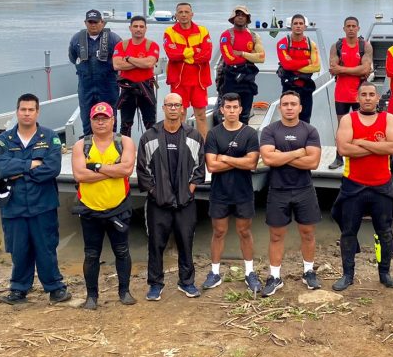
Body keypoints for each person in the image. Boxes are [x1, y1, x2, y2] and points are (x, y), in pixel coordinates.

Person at [0, 93, 70, 305]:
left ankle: (55, 288)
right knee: (19, 250)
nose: (27, 113)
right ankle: (18, 290)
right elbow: (3, 168)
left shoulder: (50, 137)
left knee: (46, 248)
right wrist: (32, 165)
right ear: (17, 111)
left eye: (31, 110)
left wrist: (21, 170)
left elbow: (52, 168)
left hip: (42, 204)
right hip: (13, 206)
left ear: (37, 112)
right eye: (23, 109)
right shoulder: (4, 140)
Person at [332, 82, 393, 291]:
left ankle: (385, 273)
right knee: (348, 232)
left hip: (381, 185)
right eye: (364, 95)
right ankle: (347, 274)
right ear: (357, 98)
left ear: (378, 98)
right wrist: (378, 148)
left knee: (385, 232)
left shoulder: (388, 118)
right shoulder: (348, 119)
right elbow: (343, 149)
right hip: (354, 185)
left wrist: (361, 142)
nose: (368, 98)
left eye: (372, 94)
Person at [136, 92, 206, 301]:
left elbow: (199, 170)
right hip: (159, 202)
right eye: (169, 105)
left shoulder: (193, 136)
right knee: (156, 244)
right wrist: (156, 194)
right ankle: (155, 284)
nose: (173, 108)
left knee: (186, 242)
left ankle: (187, 282)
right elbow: (143, 170)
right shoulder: (150, 136)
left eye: (177, 105)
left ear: (183, 109)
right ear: (164, 108)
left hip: (186, 202)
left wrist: (189, 191)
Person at [70, 102, 137, 310]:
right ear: (90, 121)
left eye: (105, 118)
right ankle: (92, 296)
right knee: (91, 254)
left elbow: (126, 170)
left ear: (112, 120)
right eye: (96, 118)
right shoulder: (81, 145)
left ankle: (124, 291)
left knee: (122, 251)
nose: (101, 122)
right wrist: (111, 170)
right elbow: (80, 175)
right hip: (90, 209)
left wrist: (96, 167)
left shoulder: (125, 142)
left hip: (118, 208)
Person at [259, 90, 323, 295]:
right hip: (278, 189)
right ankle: (275, 276)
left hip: (304, 189)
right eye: (285, 104)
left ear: (300, 107)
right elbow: (268, 159)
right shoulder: (270, 130)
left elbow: (313, 162)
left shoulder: (310, 130)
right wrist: (298, 152)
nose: (288, 107)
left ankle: (308, 272)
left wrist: (282, 155)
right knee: (276, 235)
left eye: (293, 104)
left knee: (308, 233)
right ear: (280, 108)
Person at [201, 93, 263, 294]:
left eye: (235, 107)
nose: (231, 111)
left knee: (244, 231)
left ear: (241, 109)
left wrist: (225, 158)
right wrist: (239, 161)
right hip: (220, 192)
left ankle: (249, 272)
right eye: (228, 107)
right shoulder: (214, 134)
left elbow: (252, 163)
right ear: (221, 110)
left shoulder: (250, 134)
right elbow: (211, 166)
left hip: (243, 191)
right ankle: (215, 272)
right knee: (218, 231)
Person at [327, 16, 373, 170]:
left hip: (359, 94)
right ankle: (339, 157)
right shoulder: (337, 46)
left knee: (361, 125)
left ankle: (361, 155)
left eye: (354, 26)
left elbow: (365, 69)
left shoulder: (365, 46)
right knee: (342, 127)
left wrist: (343, 69)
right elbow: (333, 69)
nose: (351, 28)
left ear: (358, 28)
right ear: (344, 28)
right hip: (341, 93)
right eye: (348, 26)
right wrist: (355, 70)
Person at [163, 3, 213, 138]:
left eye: (186, 12)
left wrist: (184, 55)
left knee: (201, 115)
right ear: (176, 15)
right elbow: (171, 54)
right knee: (180, 114)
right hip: (179, 81)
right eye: (180, 12)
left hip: (199, 81)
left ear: (192, 14)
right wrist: (193, 51)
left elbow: (207, 55)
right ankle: (178, 144)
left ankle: (204, 146)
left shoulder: (202, 31)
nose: (184, 15)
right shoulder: (170, 32)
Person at [69, 9, 122, 137]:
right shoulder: (77, 39)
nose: (93, 24)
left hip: (108, 84)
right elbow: (72, 57)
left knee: (110, 113)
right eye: (90, 22)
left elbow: (120, 59)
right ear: (85, 22)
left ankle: (112, 141)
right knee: (86, 114)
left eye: (96, 22)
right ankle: (88, 141)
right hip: (86, 84)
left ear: (102, 22)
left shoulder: (113, 39)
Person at [112, 15, 160, 137]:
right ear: (130, 28)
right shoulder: (121, 45)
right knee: (125, 124)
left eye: (141, 26)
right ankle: (125, 152)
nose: (138, 29)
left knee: (150, 123)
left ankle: (152, 152)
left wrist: (128, 59)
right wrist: (141, 62)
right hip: (128, 88)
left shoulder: (152, 45)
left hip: (146, 87)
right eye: (135, 26)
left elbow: (150, 63)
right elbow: (117, 65)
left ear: (145, 29)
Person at [217, 6, 265, 124]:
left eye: (243, 15)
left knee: (245, 114)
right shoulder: (226, 35)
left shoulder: (254, 36)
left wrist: (242, 53)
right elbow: (229, 59)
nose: (240, 17)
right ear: (233, 18)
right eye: (237, 14)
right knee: (228, 114)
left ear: (247, 19)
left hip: (248, 79)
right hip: (230, 79)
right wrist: (250, 56)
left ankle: (244, 139)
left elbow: (261, 58)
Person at [276, 14, 321, 124]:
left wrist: (294, 65)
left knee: (305, 119)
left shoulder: (311, 44)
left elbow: (317, 66)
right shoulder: (283, 43)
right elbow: (287, 65)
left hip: (306, 87)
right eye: (295, 23)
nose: (298, 26)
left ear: (305, 27)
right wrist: (307, 62)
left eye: (301, 23)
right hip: (289, 87)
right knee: (288, 118)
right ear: (290, 26)